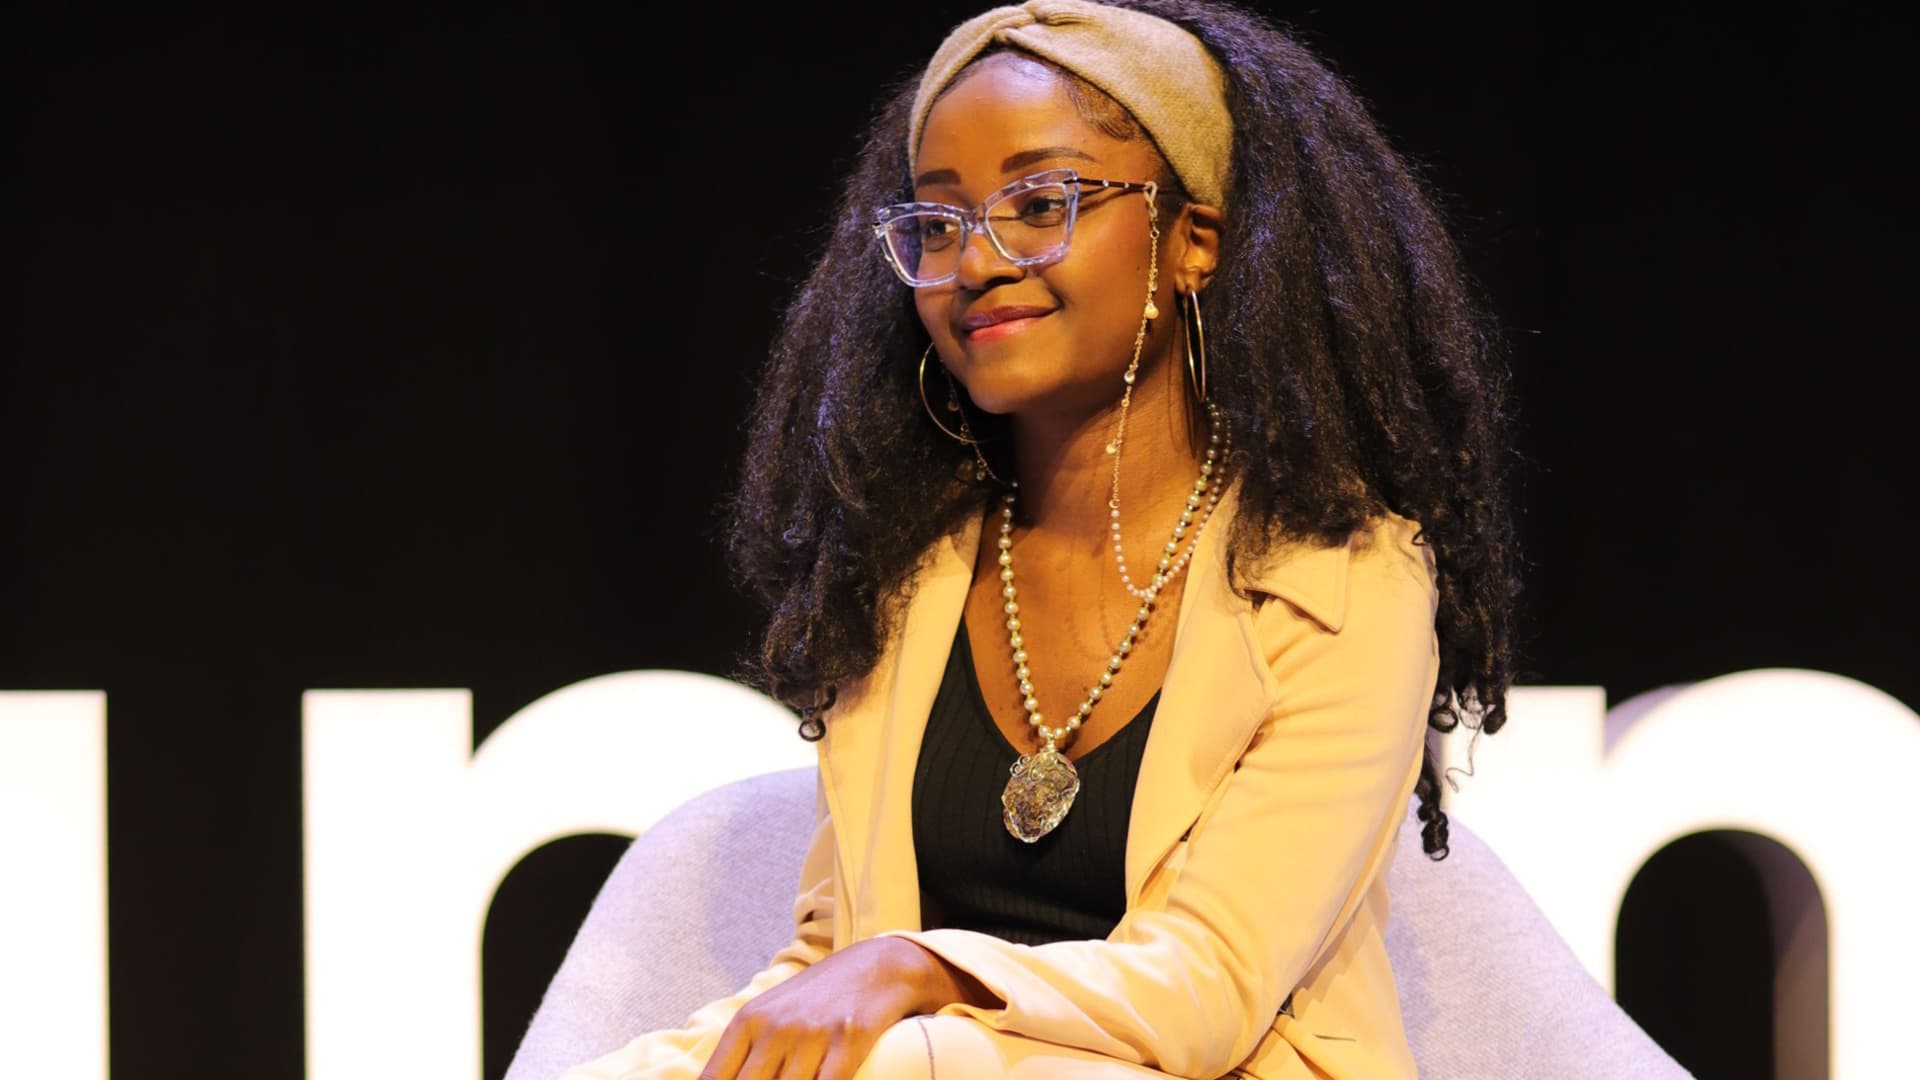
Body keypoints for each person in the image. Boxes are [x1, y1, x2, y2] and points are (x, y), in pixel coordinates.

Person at [567, 0, 1518, 1075]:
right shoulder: (906, 571)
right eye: (937, 224)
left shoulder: (1342, 577)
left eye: (1040, 203)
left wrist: (919, 972)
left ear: (1192, 244)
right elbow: (834, 965)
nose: (975, 262)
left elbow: (1207, 992)